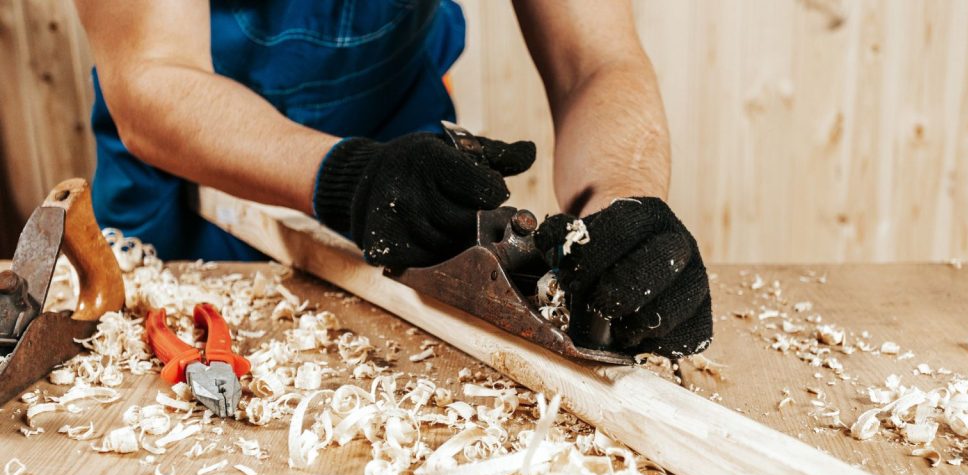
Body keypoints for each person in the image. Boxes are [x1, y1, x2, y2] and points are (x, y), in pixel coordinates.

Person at [73, 0, 712, 357]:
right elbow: (150, 75)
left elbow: (595, 63)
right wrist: (348, 177)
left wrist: (624, 202)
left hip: (404, 171)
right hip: (187, 174)